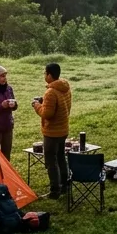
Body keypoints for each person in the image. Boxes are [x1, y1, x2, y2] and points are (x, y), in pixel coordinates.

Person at [32, 63, 72, 199]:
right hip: (63, 128)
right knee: (61, 157)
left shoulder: (51, 92)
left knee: (50, 160)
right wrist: (45, 101)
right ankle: (65, 185)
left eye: (45, 73)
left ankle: (55, 190)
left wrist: (37, 105)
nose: (44, 76)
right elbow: (61, 105)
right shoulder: (65, 88)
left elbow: (47, 114)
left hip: (52, 132)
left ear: (49, 75)